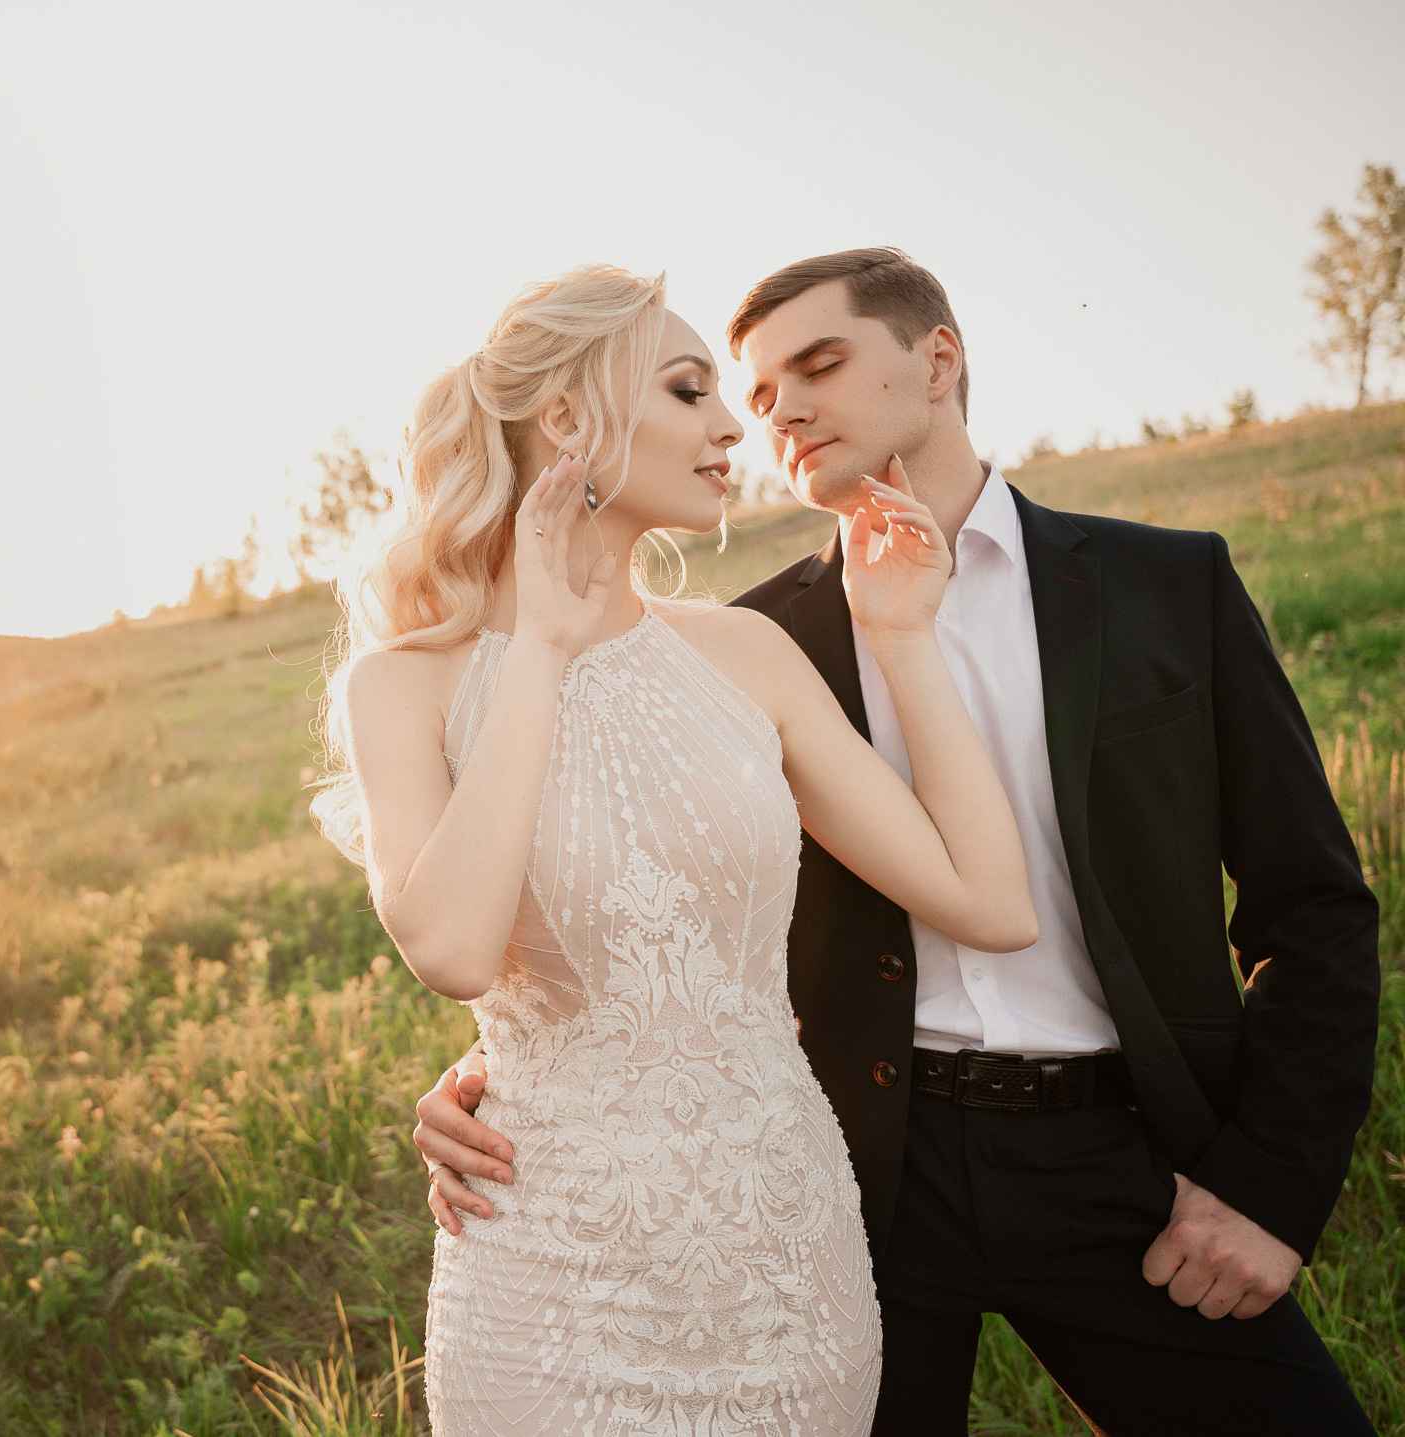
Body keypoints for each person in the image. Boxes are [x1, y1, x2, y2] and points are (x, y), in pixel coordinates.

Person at [413, 249, 1382, 1435]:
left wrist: (1269, 1186)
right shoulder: (744, 639)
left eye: (816, 366)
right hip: (860, 1171)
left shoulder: (1165, 585)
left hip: (1118, 1155)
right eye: (754, 395)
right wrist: (507, 1071)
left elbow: (1313, 908)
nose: (776, 415)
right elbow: (619, 902)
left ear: (937, 359)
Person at [318, 264, 1040, 1436]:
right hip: (552, 1263)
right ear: (566, 421)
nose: (732, 426)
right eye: (692, 389)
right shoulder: (400, 688)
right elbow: (451, 948)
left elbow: (991, 901)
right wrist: (541, 648)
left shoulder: (746, 655)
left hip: (786, 1260)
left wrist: (902, 633)